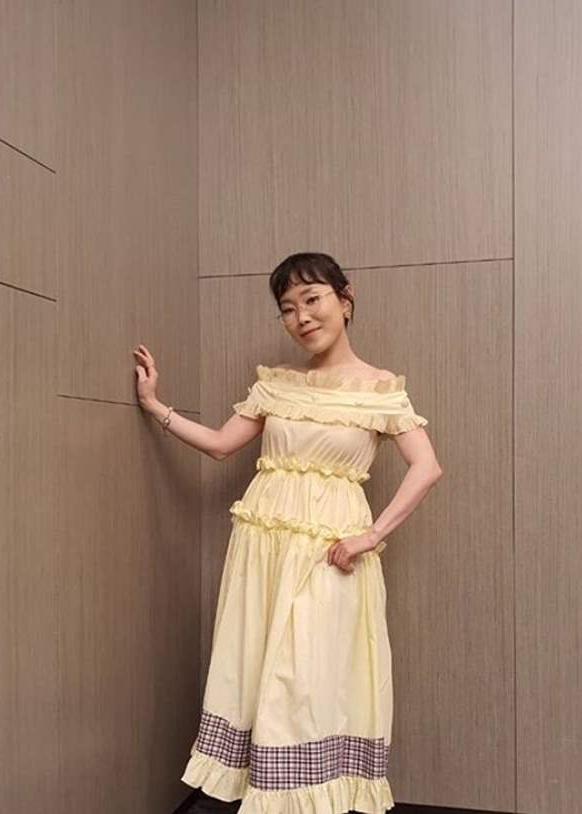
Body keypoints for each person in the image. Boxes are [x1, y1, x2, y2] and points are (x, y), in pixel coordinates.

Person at [133, 252, 442, 814]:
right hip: (263, 548)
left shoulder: (380, 390)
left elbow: (427, 467)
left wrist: (372, 535)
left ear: (345, 300)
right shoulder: (276, 385)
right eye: (288, 308)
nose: (302, 317)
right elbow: (222, 444)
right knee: (257, 664)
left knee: (308, 674)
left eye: (312, 299)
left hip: (329, 554)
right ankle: (265, 796)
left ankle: (311, 799)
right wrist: (156, 406)